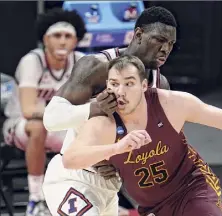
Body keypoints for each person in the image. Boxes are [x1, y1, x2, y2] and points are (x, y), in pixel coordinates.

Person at [55, 55, 222, 216]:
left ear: (144, 85)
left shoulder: (172, 104)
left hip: (192, 186)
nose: (121, 91)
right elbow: (71, 158)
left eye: (128, 83)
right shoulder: (103, 122)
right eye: (114, 84)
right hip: (152, 206)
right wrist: (116, 148)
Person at [42, 6, 177, 213]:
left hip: (110, 188)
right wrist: (93, 108)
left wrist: (123, 162)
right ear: (138, 34)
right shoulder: (96, 67)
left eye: (170, 44)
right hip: (73, 177)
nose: (165, 49)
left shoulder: (160, 85)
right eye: (159, 40)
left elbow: (157, 144)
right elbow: (51, 119)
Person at [2, 8, 86, 216]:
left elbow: (89, 107)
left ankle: (87, 195)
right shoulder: (33, 61)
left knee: (94, 128)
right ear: (45, 40)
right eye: (57, 36)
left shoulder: (82, 62)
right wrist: (68, 111)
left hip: (60, 127)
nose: (63, 41)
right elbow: (29, 110)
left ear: (76, 41)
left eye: (68, 36)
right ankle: (36, 199)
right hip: (20, 127)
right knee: (38, 126)